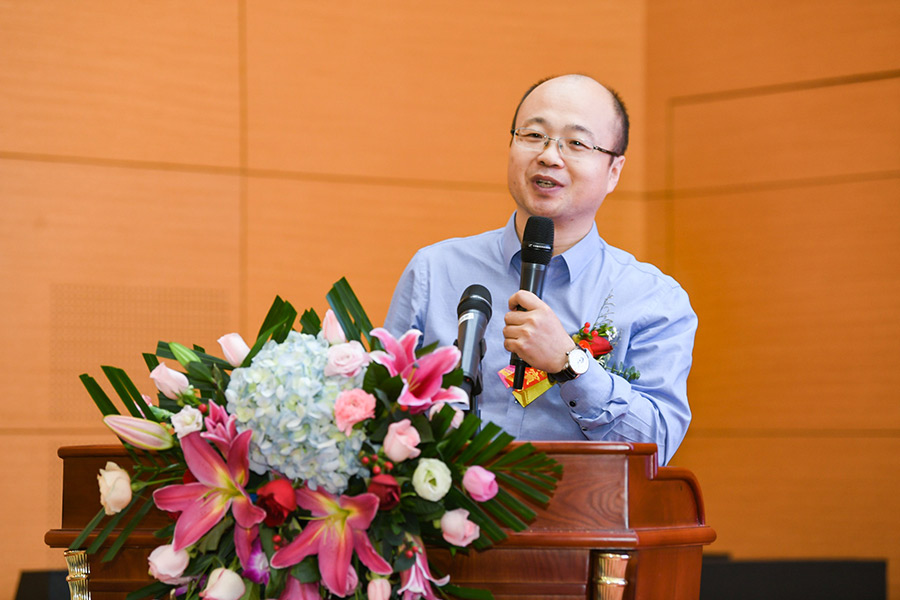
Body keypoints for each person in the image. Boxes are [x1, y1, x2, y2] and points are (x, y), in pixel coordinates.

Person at [383, 74, 697, 465]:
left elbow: (655, 447)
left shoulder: (654, 299)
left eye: (576, 143)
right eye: (533, 135)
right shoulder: (435, 270)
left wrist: (571, 363)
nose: (549, 156)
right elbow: (380, 407)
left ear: (614, 171)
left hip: (581, 504)